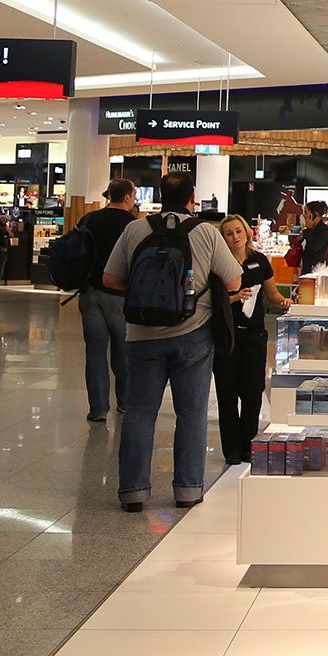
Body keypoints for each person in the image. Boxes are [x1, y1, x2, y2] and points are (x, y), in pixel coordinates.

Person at [101, 170, 240, 510]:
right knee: (191, 415)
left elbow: (110, 278)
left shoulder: (136, 229)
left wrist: (146, 295)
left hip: (141, 336)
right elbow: (234, 283)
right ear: (193, 198)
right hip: (193, 336)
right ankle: (188, 490)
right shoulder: (206, 233)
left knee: (138, 414)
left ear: (159, 196)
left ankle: (133, 492)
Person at [215, 213, 286, 466]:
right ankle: (231, 450)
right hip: (227, 337)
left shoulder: (260, 261)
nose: (235, 236)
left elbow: (273, 293)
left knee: (253, 392)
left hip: (254, 337)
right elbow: (211, 300)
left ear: (247, 232)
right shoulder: (219, 264)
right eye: (229, 233)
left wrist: (284, 302)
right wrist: (232, 298)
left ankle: (248, 445)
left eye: (238, 231)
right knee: (227, 393)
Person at [76, 178, 144, 421]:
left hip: (89, 292)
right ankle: (124, 402)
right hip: (119, 294)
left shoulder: (89, 219)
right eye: (134, 193)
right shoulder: (133, 226)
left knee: (94, 351)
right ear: (126, 197)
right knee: (122, 350)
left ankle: (98, 408)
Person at [288, 200, 328, 276]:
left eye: (306, 212)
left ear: (314, 215)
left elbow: (313, 248)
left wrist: (308, 229)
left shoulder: (324, 230)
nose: (304, 215)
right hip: (306, 268)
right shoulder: (309, 230)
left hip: (315, 271)